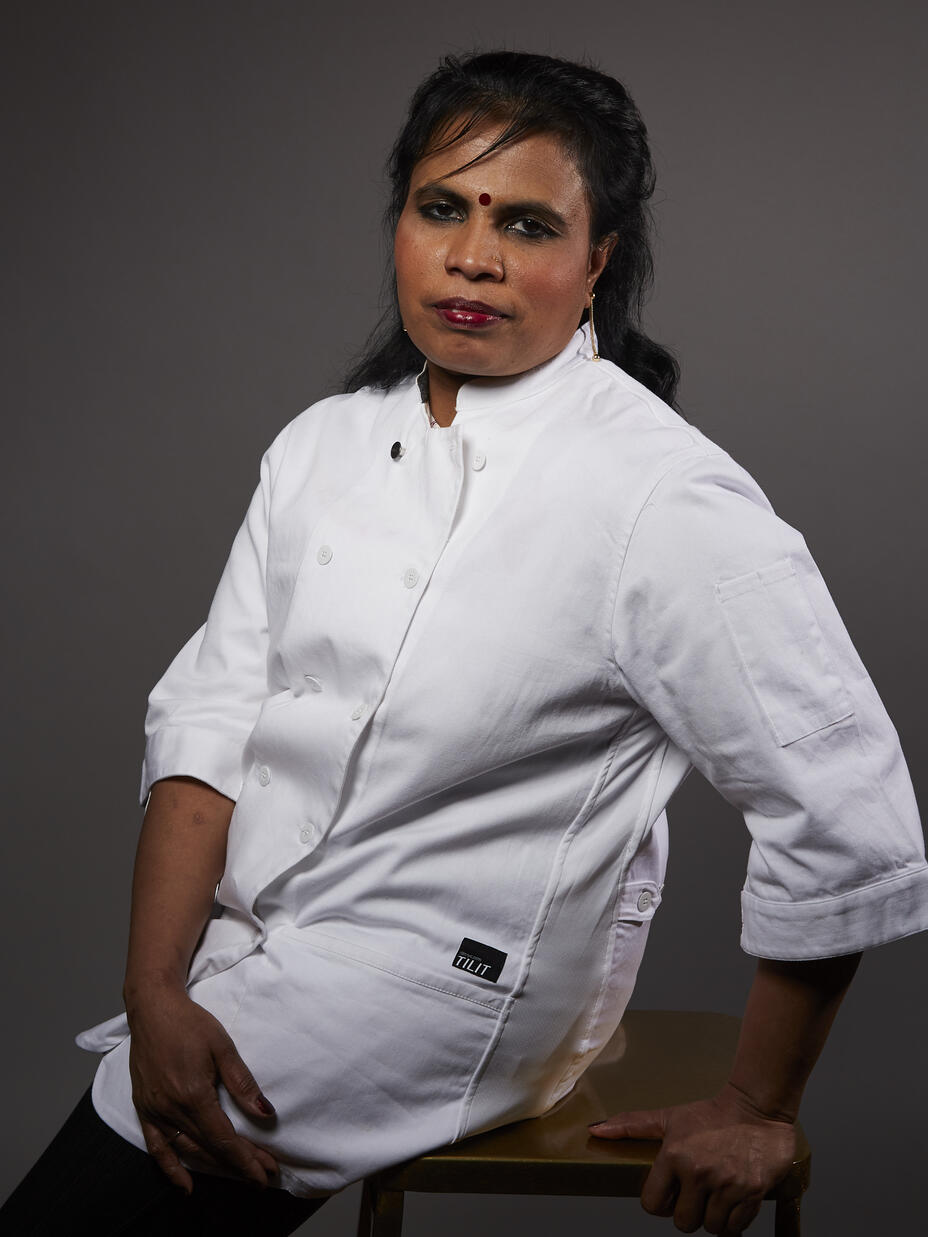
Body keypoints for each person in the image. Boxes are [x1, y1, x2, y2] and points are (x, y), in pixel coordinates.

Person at [3, 49, 926, 1237]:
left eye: (529, 224)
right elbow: (212, 719)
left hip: (449, 981)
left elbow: (845, 809)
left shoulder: (659, 496)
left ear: (598, 261)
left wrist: (760, 1101)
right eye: (443, 207)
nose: (474, 256)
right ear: (401, 221)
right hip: (254, 938)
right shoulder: (321, 447)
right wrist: (153, 988)